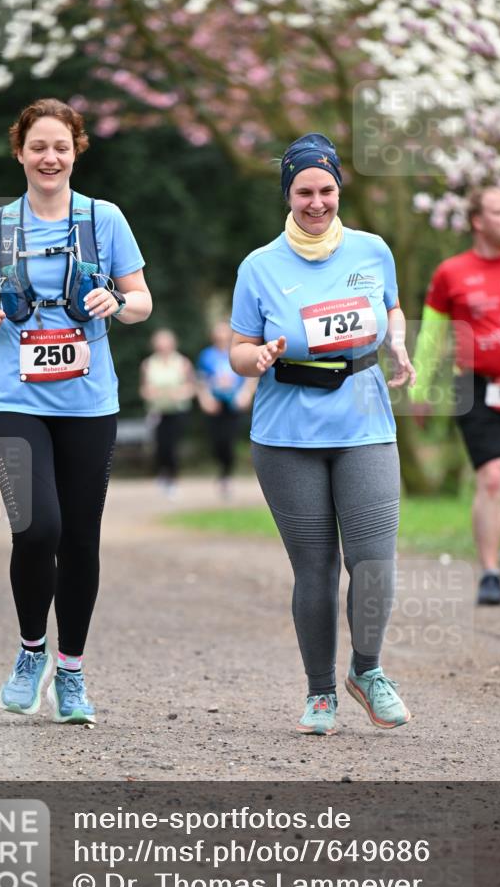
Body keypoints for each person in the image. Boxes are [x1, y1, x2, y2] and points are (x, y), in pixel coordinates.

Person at [0, 98, 151, 723]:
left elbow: (143, 299)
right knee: (37, 528)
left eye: (61, 146)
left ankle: (71, 671)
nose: (50, 157)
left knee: (82, 539)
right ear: (20, 152)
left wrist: (115, 303)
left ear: (76, 151)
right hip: (12, 396)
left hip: (89, 401)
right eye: (38, 146)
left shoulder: (104, 218)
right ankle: (30, 649)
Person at [229, 132, 415, 735]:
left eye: (326, 189)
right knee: (315, 569)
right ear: (287, 194)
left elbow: (390, 305)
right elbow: (237, 347)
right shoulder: (259, 266)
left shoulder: (372, 249)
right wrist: (254, 359)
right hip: (286, 431)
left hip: (364, 421)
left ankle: (366, 670)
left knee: (375, 562)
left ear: (339, 189)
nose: (316, 202)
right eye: (304, 191)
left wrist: (399, 340)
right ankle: (319, 695)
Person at [410, 185, 500, 606]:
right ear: (477, 221)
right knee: (491, 477)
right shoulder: (451, 273)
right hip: (473, 386)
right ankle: (489, 571)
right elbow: (432, 332)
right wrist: (420, 388)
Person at [196, 321, 255, 497]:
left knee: (229, 440)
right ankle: (222, 470)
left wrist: (245, 394)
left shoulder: (236, 353)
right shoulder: (206, 355)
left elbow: (250, 376)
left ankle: (226, 476)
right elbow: (201, 380)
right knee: (217, 442)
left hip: (234, 404)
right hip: (215, 405)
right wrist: (205, 399)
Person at [139, 328, 196, 494]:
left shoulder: (183, 363)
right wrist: (149, 393)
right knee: (160, 446)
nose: (163, 346)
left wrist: (181, 393)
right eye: (160, 342)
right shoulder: (148, 364)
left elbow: (192, 387)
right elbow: (143, 389)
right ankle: (163, 473)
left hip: (177, 411)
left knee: (172, 446)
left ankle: (173, 478)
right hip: (157, 412)